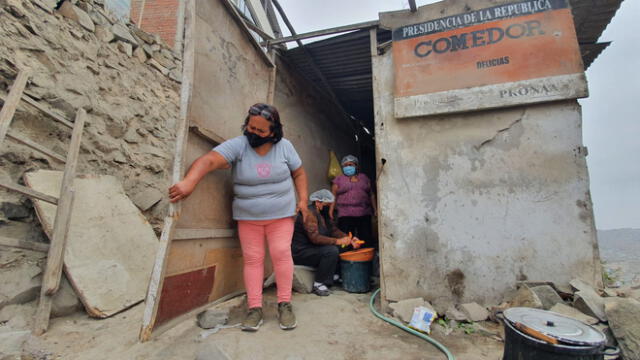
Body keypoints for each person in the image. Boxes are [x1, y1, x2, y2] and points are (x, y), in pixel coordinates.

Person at [168, 103, 308, 332]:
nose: (253, 133)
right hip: (248, 217)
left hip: (281, 214)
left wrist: (302, 200)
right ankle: (255, 308)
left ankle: (285, 304)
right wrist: (189, 182)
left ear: (273, 131)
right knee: (253, 258)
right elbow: (209, 160)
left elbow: (299, 173)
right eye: (250, 127)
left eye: (260, 130)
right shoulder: (239, 145)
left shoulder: (285, 147)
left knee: (281, 253)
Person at [291, 189, 362, 296]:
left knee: (343, 247)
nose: (328, 206)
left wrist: (348, 239)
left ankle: (334, 275)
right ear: (318, 202)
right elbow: (315, 238)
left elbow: (332, 230)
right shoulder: (309, 215)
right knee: (331, 250)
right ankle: (318, 283)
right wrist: (337, 241)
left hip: (314, 248)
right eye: (326, 204)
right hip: (301, 252)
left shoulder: (323, 214)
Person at [330, 155, 377, 248]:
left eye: (350, 165)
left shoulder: (364, 178)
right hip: (345, 214)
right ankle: (347, 258)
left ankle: (365, 258)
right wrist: (330, 211)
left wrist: (375, 209)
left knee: (365, 239)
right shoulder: (338, 179)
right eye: (345, 165)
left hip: (364, 213)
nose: (348, 167)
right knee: (346, 239)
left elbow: (371, 195)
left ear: (356, 166)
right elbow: (333, 196)